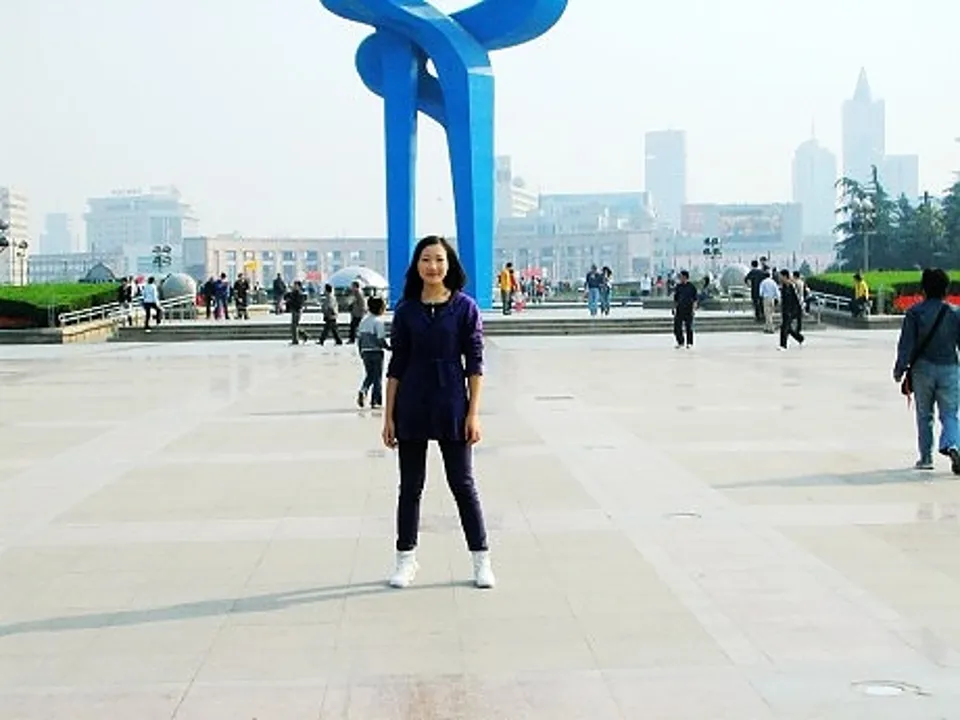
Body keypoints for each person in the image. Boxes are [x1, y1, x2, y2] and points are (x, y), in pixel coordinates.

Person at [382, 235, 494, 590]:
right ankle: (406, 560)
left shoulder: (465, 308)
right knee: (410, 487)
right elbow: (396, 365)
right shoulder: (406, 310)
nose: (433, 266)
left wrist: (473, 413)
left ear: (450, 265)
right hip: (412, 404)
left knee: (462, 484)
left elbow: (475, 364)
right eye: (426, 259)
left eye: (439, 259)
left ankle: (481, 559)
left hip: (452, 404)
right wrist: (388, 416)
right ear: (417, 265)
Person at [893, 268, 960, 473]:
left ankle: (926, 458)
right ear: (946, 289)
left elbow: (906, 345)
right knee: (950, 413)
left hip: (922, 370)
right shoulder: (955, 313)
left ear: (923, 288)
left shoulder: (914, 313)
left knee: (924, 415)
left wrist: (899, 369)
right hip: (949, 368)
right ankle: (953, 445)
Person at [357, 296, 390, 409]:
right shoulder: (378, 322)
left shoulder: (364, 321)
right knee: (377, 377)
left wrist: (361, 352)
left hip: (365, 351)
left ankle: (363, 390)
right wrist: (388, 347)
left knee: (369, 375)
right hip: (376, 352)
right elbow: (380, 339)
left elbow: (360, 339)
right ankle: (376, 400)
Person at [778, 269, 805, 350]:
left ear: (785, 276)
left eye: (781, 276)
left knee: (784, 327)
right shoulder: (783, 286)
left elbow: (796, 299)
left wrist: (797, 310)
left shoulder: (792, 286)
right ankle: (800, 338)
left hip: (792, 310)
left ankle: (783, 345)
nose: (779, 278)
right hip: (785, 310)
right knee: (787, 328)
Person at [672, 270, 698, 349]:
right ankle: (680, 342)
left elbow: (695, 299)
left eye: (681, 276)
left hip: (688, 309)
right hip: (679, 309)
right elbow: (676, 299)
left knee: (688, 327)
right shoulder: (678, 287)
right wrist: (674, 308)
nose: (680, 278)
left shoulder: (691, 287)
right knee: (677, 327)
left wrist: (693, 309)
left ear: (685, 277)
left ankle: (689, 342)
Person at [286, 280, 306, 345]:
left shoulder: (300, 293)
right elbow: (286, 296)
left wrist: (290, 301)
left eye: (296, 285)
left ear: (299, 286)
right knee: (294, 326)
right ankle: (304, 335)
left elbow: (299, 303)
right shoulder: (293, 292)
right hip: (293, 310)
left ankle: (295, 340)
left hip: (297, 310)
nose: (294, 286)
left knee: (294, 326)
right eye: (294, 285)